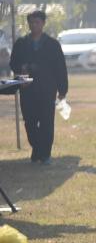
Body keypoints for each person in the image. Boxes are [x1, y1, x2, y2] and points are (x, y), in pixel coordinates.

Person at [10, 9, 68, 164]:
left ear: (43, 23)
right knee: (29, 121)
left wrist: (62, 89)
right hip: (27, 88)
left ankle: (44, 154)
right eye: (31, 22)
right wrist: (22, 67)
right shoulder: (21, 44)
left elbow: (60, 68)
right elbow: (13, 63)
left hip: (47, 88)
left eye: (37, 22)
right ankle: (37, 148)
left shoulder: (52, 45)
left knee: (46, 121)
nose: (34, 25)